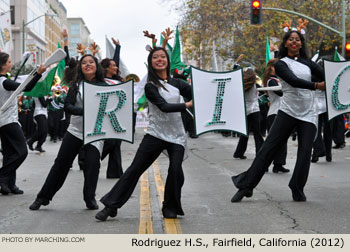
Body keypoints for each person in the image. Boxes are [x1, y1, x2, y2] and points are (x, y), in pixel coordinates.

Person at [95, 47, 192, 221]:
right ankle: (111, 205)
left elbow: (198, 94)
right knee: (135, 169)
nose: (160, 59)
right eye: (155, 57)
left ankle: (170, 206)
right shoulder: (150, 86)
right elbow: (164, 107)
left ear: (167, 61)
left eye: (163, 56)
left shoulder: (178, 84)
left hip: (176, 135)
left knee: (176, 171)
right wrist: (186, 105)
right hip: (155, 134)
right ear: (151, 62)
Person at [231, 30, 325, 202]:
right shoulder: (281, 64)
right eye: (291, 40)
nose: (294, 42)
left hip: (309, 112)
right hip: (287, 110)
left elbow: (327, 76)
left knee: (305, 152)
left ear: (301, 44)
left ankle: (297, 187)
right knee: (269, 148)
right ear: (286, 43)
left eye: (297, 40)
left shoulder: (308, 63)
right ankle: (246, 185)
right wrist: (317, 85)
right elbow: (293, 81)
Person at [29, 54, 105, 210]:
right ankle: (43, 197)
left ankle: (90, 198)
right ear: (80, 67)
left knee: (92, 165)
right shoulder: (76, 85)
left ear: (97, 66)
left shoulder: (106, 86)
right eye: (84, 63)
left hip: (96, 133)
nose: (88, 64)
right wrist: (83, 111)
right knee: (61, 164)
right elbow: (68, 106)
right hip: (75, 131)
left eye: (91, 62)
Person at [0, 52, 47, 195]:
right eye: (9, 62)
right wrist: (38, 74)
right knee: (22, 152)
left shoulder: (4, 81)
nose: (11, 64)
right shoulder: (5, 82)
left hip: (3, 122)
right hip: (8, 121)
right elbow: (25, 88)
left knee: (10, 154)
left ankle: (9, 185)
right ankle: (2, 176)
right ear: (2, 65)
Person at [99, 38, 124, 178]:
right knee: (111, 141)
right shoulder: (100, 81)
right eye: (113, 66)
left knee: (117, 142)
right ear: (106, 68)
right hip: (105, 116)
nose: (116, 67)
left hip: (117, 114)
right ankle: (90, 159)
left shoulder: (118, 81)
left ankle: (115, 171)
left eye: (116, 65)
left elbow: (116, 62)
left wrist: (118, 47)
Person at [262, 58, 289, 173]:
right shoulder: (271, 81)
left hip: (282, 111)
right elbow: (281, 93)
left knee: (282, 141)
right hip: (275, 113)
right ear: (273, 68)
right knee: (273, 141)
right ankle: (263, 164)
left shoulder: (277, 79)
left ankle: (278, 164)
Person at [233, 68, 264, 159]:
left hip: (245, 109)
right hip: (254, 109)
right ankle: (259, 153)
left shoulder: (241, 85)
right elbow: (263, 91)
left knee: (245, 133)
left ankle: (238, 152)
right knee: (257, 133)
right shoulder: (255, 85)